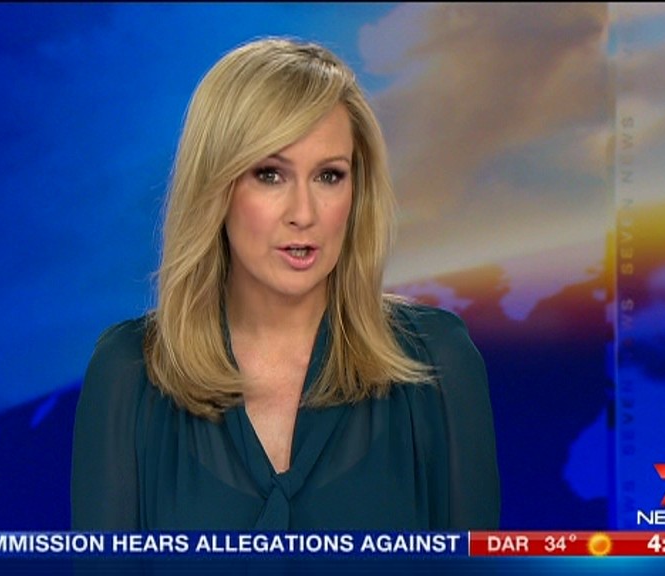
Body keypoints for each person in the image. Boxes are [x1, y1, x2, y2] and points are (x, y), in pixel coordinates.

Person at [72, 37, 499, 530]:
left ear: (357, 191)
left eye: (329, 176)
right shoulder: (128, 374)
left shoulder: (437, 363)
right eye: (270, 175)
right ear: (216, 187)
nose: (303, 213)